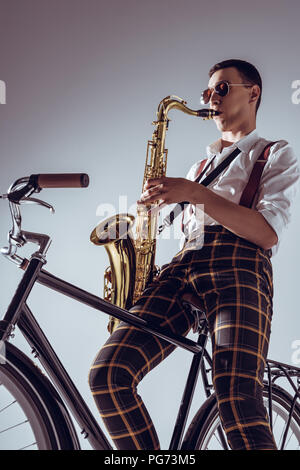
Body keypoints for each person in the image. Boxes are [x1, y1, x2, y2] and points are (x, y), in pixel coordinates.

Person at [88, 59, 300, 450]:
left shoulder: (274, 153)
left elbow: (267, 232)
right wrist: (145, 221)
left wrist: (195, 193)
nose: (209, 98)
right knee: (108, 375)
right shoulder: (199, 166)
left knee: (237, 399)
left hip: (239, 267)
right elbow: (171, 228)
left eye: (222, 88)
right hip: (184, 265)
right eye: (208, 91)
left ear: (253, 94)